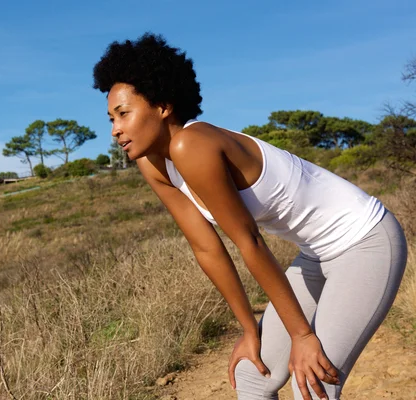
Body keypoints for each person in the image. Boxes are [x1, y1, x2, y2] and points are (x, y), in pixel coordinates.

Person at [92, 33, 408, 400]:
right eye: (112, 118)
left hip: (364, 240)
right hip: (314, 256)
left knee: (312, 381)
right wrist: (249, 329)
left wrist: (302, 336)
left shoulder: (192, 144)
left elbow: (249, 241)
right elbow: (206, 247)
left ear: (163, 106)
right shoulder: (153, 164)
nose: (115, 130)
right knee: (252, 375)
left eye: (124, 114)